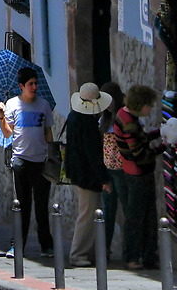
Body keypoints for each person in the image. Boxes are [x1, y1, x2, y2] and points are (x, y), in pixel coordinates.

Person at [0, 67, 54, 259]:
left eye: (36, 83)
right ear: (21, 86)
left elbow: (48, 133)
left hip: (41, 161)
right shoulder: (12, 105)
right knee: (22, 205)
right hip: (20, 160)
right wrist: (2, 116)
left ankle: (46, 245)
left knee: (42, 205)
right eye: (30, 84)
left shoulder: (44, 105)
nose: (34, 87)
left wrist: (52, 154)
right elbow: (7, 133)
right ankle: (16, 246)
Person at [114, 84, 165, 270]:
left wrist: (158, 133)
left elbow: (140, 139)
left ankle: (143, 256)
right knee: (140, 218)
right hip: (138, 175)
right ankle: (136, 257)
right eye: (148, 105)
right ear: (140, 104)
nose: (150, 108)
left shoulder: (122, 114)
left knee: (141, 217)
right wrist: (164, 146)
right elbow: (140, 154)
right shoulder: (130, 124)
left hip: (131, 172)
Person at [65, 82, 113, 266]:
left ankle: (89, 252)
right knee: (87, 214)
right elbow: (92, 154)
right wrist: (104, 178)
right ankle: (78, 254)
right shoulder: (87, 123)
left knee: (89, 213)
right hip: (86, 176)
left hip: (79, 173)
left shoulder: (74, 117)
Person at [99, 82, 125, 258]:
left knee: (127, 209)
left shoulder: (122, 117)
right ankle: (105, 249)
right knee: (108, 211)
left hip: (122, 170)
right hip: (108, 170)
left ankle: (129, 250)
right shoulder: (103, 119)